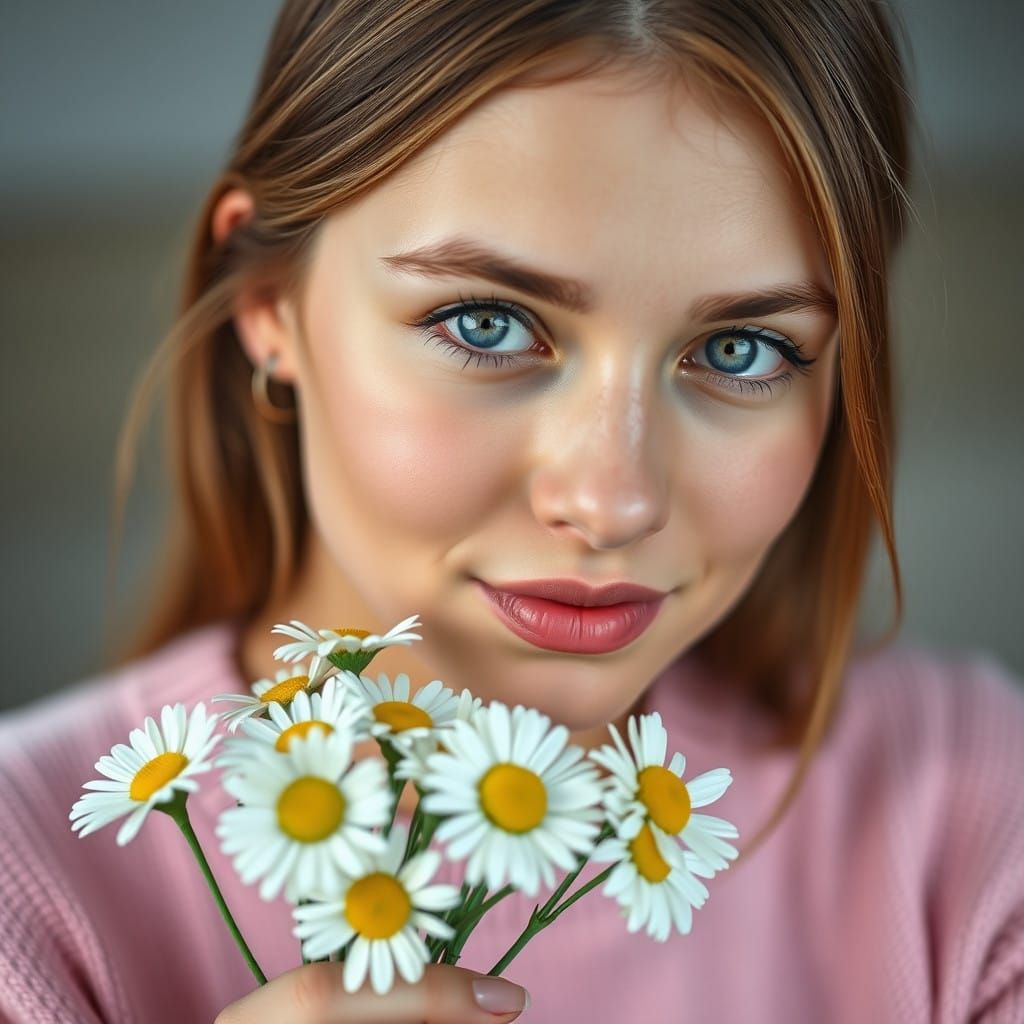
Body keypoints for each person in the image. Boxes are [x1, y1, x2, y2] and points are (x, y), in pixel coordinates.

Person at [2, 1, 1023, 1021]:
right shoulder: (29, 884)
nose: (611, 501)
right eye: (484, 324)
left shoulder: (971, 806)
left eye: (740, 349)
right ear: (267, 303)